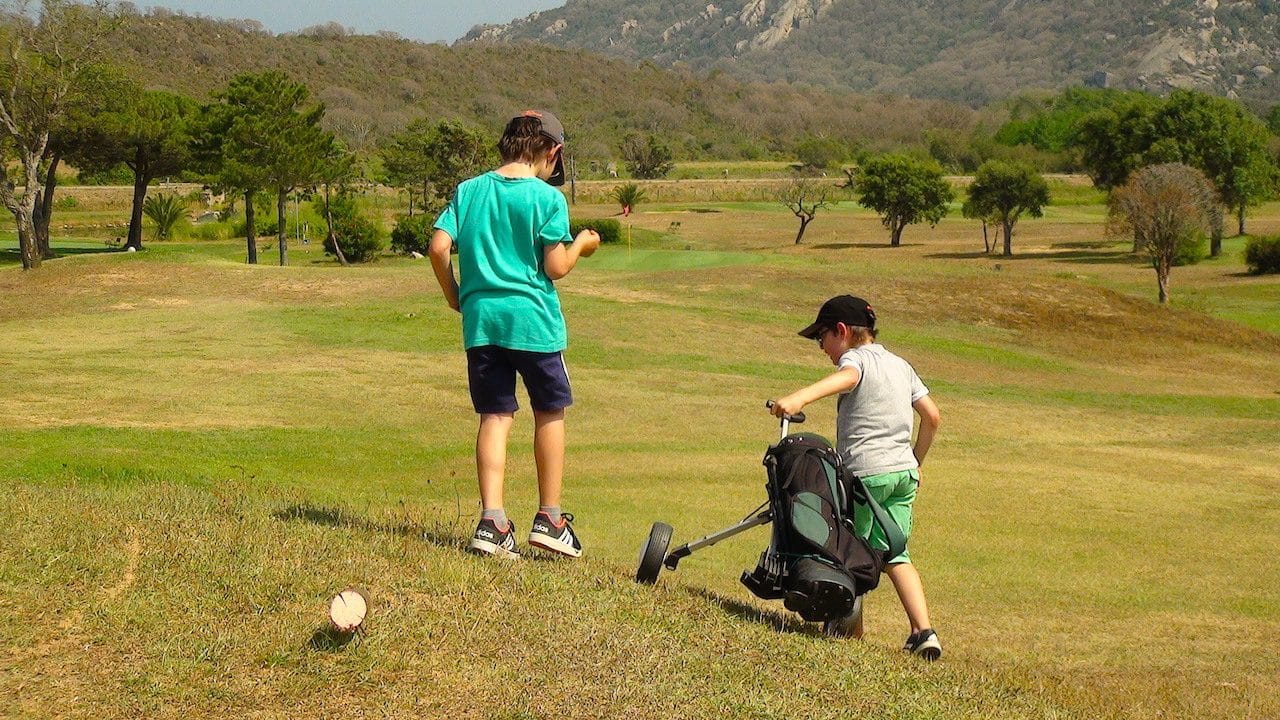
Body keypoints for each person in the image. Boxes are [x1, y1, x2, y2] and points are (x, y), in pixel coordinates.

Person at [428, 110, 601, 560]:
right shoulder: (547, 198)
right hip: (534, 322)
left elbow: (439, 246)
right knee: (550, 411)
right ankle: (550, 519)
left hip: (482, 322)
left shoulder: (469, 190)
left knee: (495, 416)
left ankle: (492, 522)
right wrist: (582, 244)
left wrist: (455, 295)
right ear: (552, 152)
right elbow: (556, 267)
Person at [770, 295, 943, 659]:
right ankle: (923, 632)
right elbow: (932, 416)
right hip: (902, 476)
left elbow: (849, 377)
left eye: (822, 337)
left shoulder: (856, 359)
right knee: (896, 552)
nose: (822, 347)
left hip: (867, 476)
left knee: (849, 551)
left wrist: (799, 398)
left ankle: (848, 632)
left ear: (842, 331)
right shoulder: (901, 365)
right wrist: (915, 461)